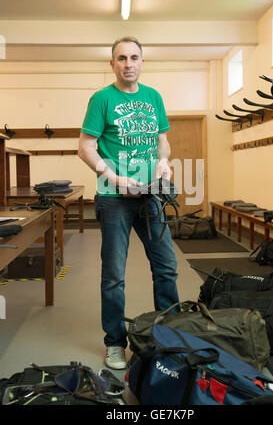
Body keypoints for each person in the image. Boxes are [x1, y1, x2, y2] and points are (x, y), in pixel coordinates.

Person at [78, 36, 180, 370]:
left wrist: (164, 162)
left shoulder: (154, 98)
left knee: (166, 267)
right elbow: (86, 147)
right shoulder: (101, 99)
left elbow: (163, 142)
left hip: (150, 195)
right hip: (113, 199)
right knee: (113, 276)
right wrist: (115, 177)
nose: (128, 63)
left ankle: (173, 335)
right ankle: (114, 343)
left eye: (134, 57)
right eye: (121, 58)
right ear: (113, 64)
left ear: (142, 61)